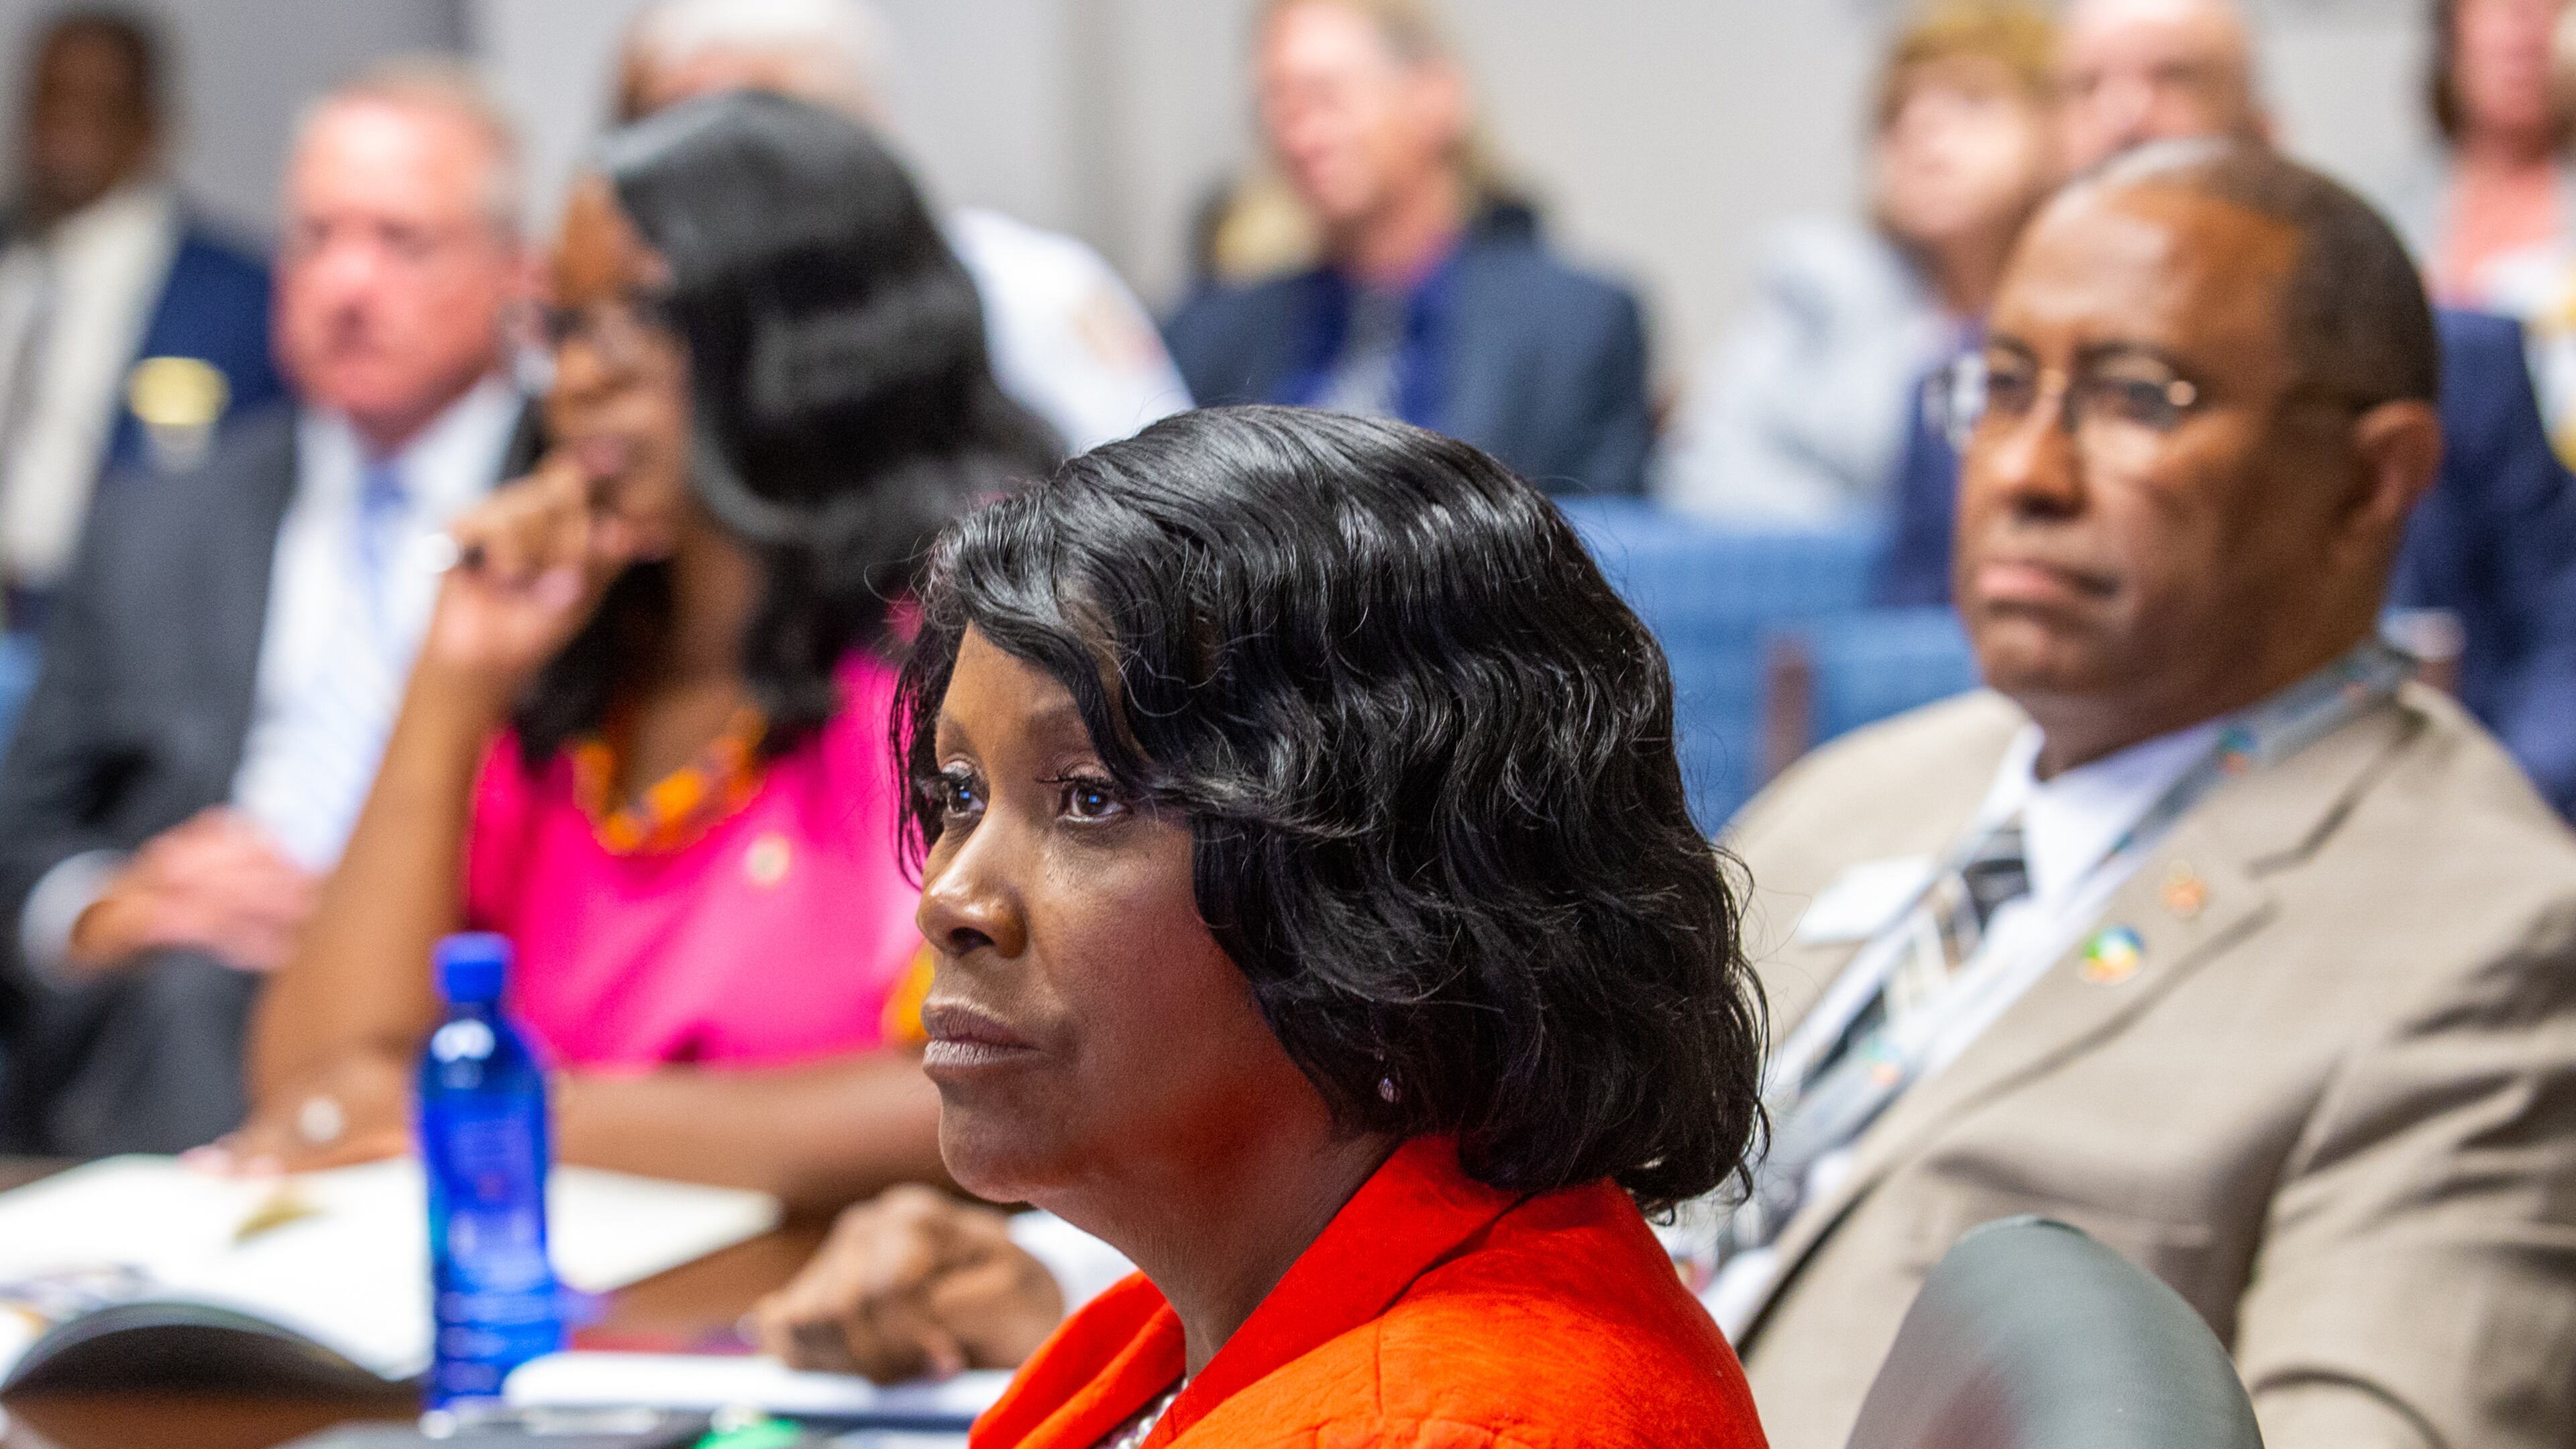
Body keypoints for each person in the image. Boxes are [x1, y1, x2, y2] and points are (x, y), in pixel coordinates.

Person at [1727, 141, 2576, 1449]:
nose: (2026, 473)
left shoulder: (2494, 943)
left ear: (2373, 477)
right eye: (2003, 389)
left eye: (2136, 399)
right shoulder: (1849, 797)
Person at [784, 405, 1766, 1444]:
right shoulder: (1204, 1322)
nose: (949, 902)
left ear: (1387, 885)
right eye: (961, 795)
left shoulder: (1447, 1427)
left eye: (1089, 798)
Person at [235, 92, 1058, 1214]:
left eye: (627, 322)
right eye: (561, 327)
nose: (573, 381)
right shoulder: (568, 669)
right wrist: (451, 681)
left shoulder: (967, 661)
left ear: (800, 334)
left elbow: (1003, 1080)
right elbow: (315, 1085)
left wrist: (514, 1117)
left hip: (857, 1327)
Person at [0, 60, 527, 1157]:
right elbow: (26, 835)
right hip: (180, 1008)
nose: (347, 283)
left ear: (512, 274)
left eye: (401, 242)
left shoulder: (579, 510)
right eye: (316, 237)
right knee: (181, 1001)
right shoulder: (155, 520)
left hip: (476, 992)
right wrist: (114, 905)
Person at [1877, 0, 2576, 823]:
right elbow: (1917, 663)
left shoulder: (2454, 363)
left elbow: (2560, 641)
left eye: (2172, 75)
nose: (2126, 114)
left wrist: (2478, 827)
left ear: (2263, 127)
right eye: (2087, 87)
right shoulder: (1969, 379)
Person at [614, 0, 1189, 456]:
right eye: (654, 129)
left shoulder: (1030, 287)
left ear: (862, 127)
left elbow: (1157, 520)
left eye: (735, 136)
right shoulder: (618, 326)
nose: (682, 175)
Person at [1165, 0, 1654, 497]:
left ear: (1435, 96)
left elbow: (1600, 553)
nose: (1299, 133)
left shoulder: (1577, 328)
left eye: (1326, 96)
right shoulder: (1208, 337)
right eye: (1276, 104)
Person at [1660, 1, 2057, 525]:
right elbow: (1705, 473)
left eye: (1971, 100)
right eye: (1896, 112)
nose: (1922, 127)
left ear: (2061, 126)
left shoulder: (2095, 296)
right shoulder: (1818, 284)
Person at [0, 10, 280, 627]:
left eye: (102, 103)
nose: (67, 127)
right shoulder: (14, 257)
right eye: (51, 98)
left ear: (153, 124)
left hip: (125, 630)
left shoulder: (237, 296)